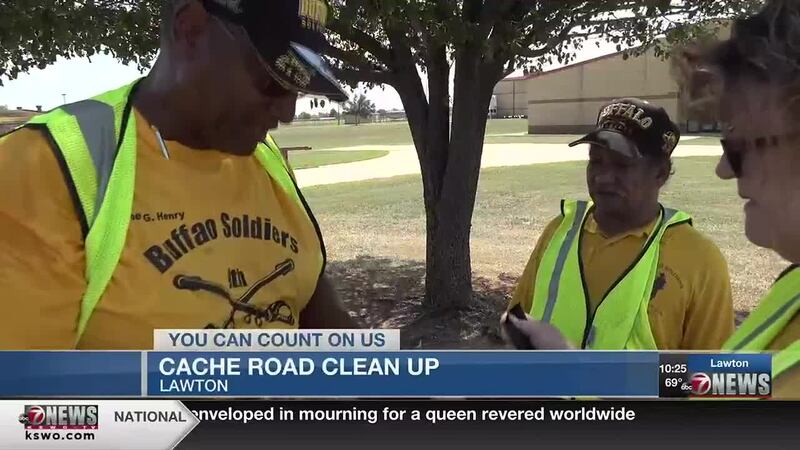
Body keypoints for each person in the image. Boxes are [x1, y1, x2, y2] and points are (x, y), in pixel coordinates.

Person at [0, 0, 357, 350]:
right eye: (272, 82)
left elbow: (313, 310)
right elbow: (29, 402)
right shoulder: (45, 166)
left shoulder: (265, 159)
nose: (288, 112)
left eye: (297, 87)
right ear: (190, 27)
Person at [504, 98, 734, 350]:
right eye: (596, 161)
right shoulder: (559, 231)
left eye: (622, 164)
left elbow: (713, 378)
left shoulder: (699, 260)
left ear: (660, 173)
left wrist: (582, 370)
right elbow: (518, 325)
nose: (602, 177)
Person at [675, 0, 800, 398]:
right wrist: (577, 368)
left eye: (741, 147)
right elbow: (729, 378)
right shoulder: (793, 287)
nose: (724, 170)